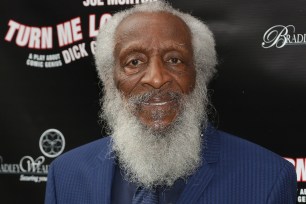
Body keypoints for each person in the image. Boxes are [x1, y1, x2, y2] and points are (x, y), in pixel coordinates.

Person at [45, 1, 297, 203]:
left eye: (175, 60)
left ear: (198, 73)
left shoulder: (267, 178)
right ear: (111, 78)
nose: (156, 79)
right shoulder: (66, 176)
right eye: (134, 61)